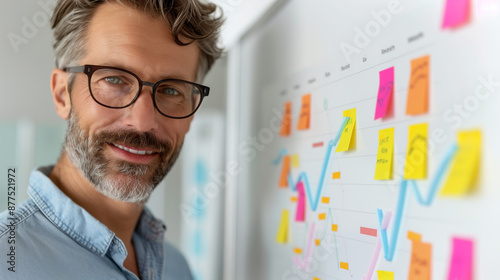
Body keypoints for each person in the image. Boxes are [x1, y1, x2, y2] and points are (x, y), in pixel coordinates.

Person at [0, 0, 223, 279]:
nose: (142, 123)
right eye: (115, 80)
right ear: (61, 94)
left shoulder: (177, 269)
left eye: (170, 91)